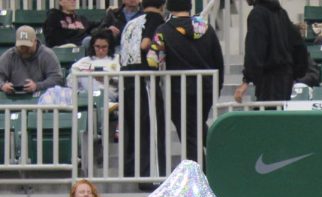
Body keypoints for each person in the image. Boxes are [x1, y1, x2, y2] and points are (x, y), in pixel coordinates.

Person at [147, 0, 224, 164]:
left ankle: (200, 175)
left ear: (169, 8)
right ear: (189, 6)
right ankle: (221, 153)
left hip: (178, 91)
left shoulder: (163, 31)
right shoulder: (205, 27)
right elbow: (219, 61)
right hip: (206, 88)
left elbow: (152, 61)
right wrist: (216, 88)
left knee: (189, 135)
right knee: (196, 126)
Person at [118, 0, 165, 182]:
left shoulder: (132, 22)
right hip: (144, 80)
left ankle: (134, 171)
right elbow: (145, 44)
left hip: (128, 79)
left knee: (135, 128)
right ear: (162, 6)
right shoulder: (154, 19)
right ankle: (151, 176)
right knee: (151, 127)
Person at [234, 0, 305, 103]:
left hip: (268, 82)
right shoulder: (282, 14)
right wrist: (295, 73)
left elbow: (255, 50)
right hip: (286, 80)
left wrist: (246, 80)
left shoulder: (257, 14)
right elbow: (299, 46)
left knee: (267, 116)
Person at [0, 26, 65, 95]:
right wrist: (2, 86)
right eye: (21, 46)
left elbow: (57, 79)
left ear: (35, 42)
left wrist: (37, 86)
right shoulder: (9, 55)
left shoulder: (47, 54)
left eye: (27, 46)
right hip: (13, 99)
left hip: (42, 99)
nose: (24, 50)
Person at [69, 30, 119, 101]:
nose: (101, 50)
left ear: (109, 46)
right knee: (83, 73)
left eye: (104, 47)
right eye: (97, 47)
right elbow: (71, 81)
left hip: (108, 94)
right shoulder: (84, 61)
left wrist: (109, 80)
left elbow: (123, 83)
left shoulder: (117, 59)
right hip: (86, 94)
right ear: (93, 46)